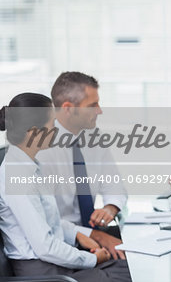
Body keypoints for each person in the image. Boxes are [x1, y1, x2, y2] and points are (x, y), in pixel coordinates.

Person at [0, 93, 131, 281]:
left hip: (56, 261)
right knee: (125, 275)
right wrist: (91, 259)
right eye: (52, 124)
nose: (56, 130)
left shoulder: (30, 166)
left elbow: (47, 221)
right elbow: (45, 246)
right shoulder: (17, 177)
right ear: (34, 132)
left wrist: (77, 234)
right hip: (42, 271)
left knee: (129, 264)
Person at [36, 72, 127, 260]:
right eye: (93, 105)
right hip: (63, 243)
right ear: (68, 108)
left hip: (92, 233)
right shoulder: (41, 150)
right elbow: (43, 220)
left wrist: (110, 208)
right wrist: (96, 236)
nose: (99, 111)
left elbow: (114, 184)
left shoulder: (94, 137)